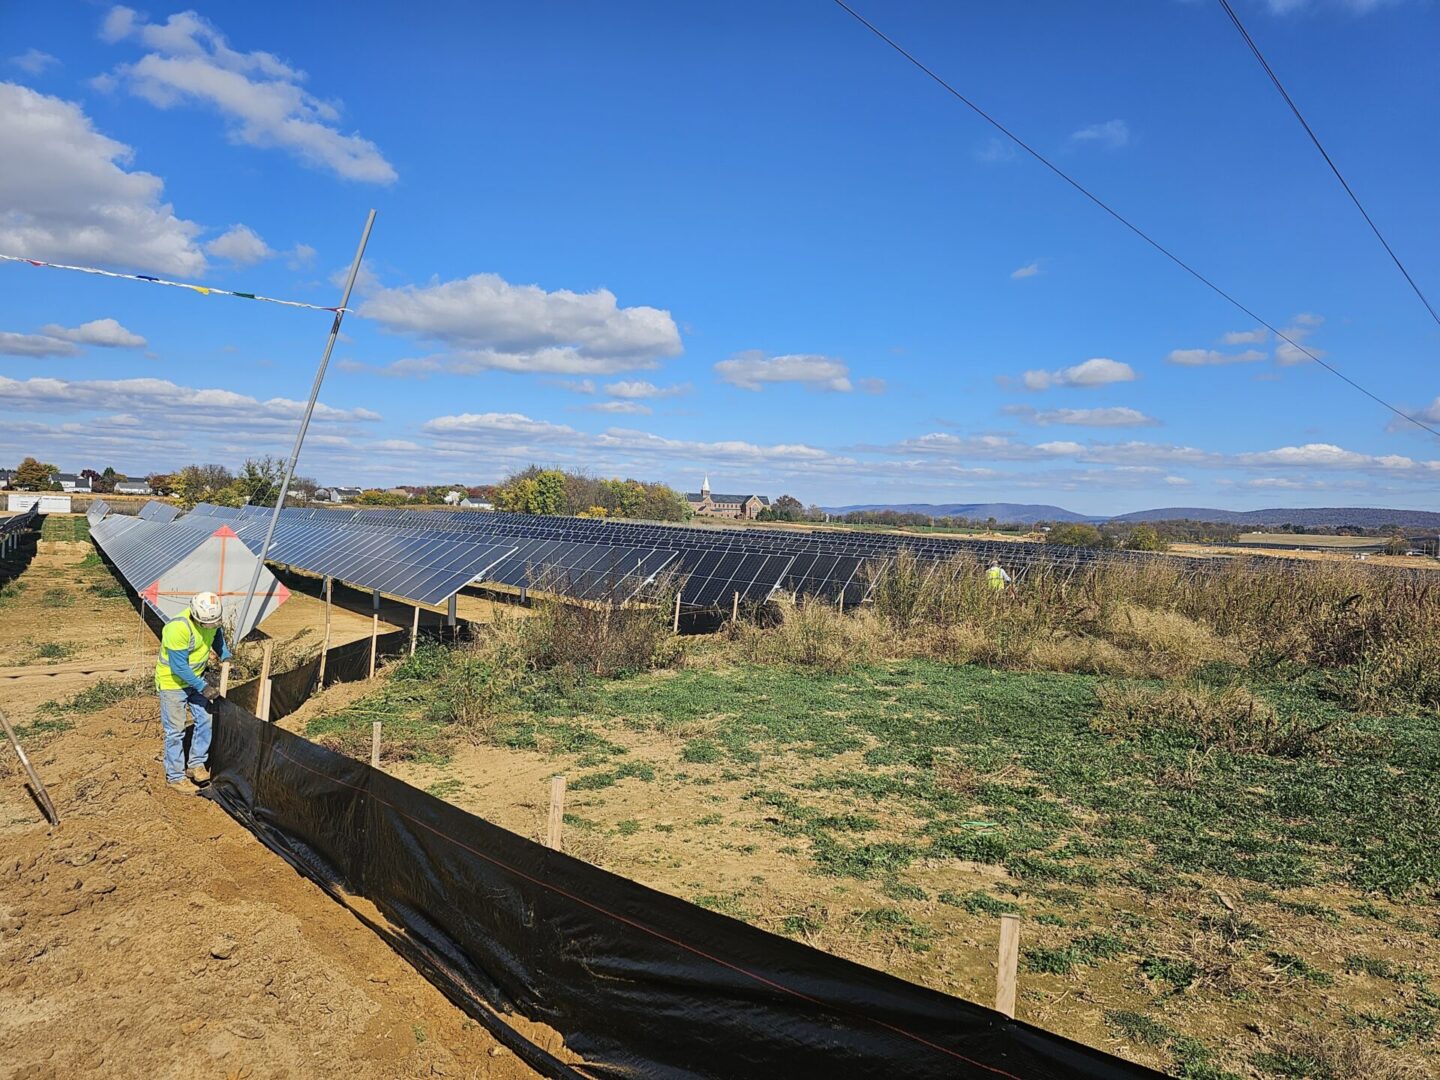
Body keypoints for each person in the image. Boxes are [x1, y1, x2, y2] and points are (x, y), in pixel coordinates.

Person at [155, 591, 231, 791]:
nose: (210, 626)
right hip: (173, 684)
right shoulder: (178, 628)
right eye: (206, 623)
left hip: (196, 680)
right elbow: (179, 667)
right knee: (176, 731)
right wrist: (203, 687)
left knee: (205, 720)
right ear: (196, 616)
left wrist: (225, 655)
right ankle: (175, 777)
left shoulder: (211, 621)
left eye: (213, 622)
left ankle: (196, 764)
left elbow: (217, 635)